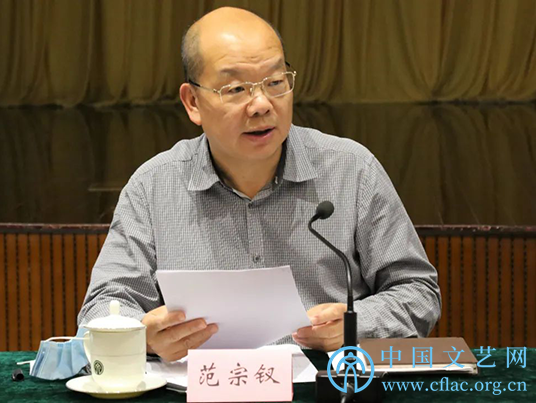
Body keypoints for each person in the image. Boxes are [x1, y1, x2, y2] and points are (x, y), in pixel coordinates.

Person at [78, 7, 441, 362]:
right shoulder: (153, 187)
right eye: (236, 88)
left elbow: (418, 291)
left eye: (275, 83)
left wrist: (354, 324)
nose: (262, 104)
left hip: (324, 383)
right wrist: (144, 337)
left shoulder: (352, 170)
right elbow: (101, 308)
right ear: (193, 102)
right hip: (201, 385)